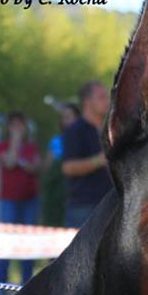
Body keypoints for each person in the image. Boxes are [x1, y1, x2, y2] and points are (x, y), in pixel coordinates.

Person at [0, 110, 41, 284]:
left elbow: (37, 167)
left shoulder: (31, 147)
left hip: (30, 200)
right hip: (8, 201)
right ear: (8, 127)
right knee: (6, 241)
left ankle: (26, 283)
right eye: (14, 125)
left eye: (20, 124)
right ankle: (0, 283)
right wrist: (15, 141)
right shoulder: (1, 146)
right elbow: (10, 163)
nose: (17, 128)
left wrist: (29, 165)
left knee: (28, 242)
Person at [62, 81, 113, 228]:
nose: (107, 101)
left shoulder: (111, 128)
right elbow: (68, 168)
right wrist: (99, 160)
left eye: (107, 96)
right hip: (84, 207)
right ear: (87, 102)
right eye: (101, 97)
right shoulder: (75, 131)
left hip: (111, 203)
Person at [42, 103, 80, 227]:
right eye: (63, 118)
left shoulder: (83, 140)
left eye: (69, 117)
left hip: (77, 195)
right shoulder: (56, 141)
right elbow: (47, 168)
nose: (65, 121)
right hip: (57, 194)